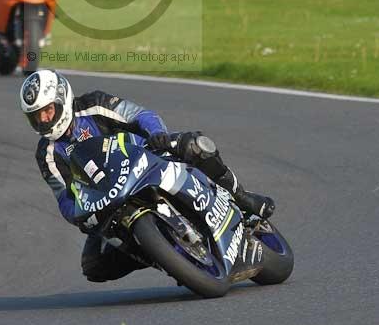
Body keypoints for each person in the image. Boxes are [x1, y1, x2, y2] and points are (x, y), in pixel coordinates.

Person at [20, 69, 275, 284]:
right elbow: (64, 197)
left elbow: (140, 115)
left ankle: (241, 197)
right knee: (93, 266)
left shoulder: (94, 104)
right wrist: (78, 215)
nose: (43, 119)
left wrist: (157, 134)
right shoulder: (47, 154)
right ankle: (172, 257)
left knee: (197, 145)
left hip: (146, 159)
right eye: (36, 116)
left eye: (48, 110)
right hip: (107, 200)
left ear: (62, 99)